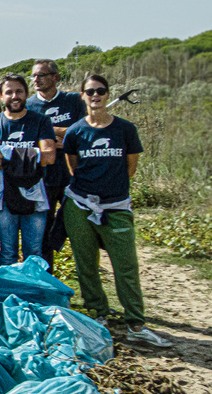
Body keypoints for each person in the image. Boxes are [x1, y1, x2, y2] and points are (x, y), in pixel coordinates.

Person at [63, 74, 172, 348]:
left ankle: (136, 323)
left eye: (101, 91)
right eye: (90, 91)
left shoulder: (124, 129)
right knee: (85, 264)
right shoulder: (76, 131)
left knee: (126, 266)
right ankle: (99, 315)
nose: (96, 96)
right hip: (80, 204)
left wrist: (111, 190)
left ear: (107, 93)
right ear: (83, 96)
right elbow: (73, 167)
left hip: (116, 205)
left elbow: (130, 167)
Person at [0, 73, 57, 266]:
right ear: (1, 96)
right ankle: (10, 295)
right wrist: (30, 156)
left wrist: (5, 152)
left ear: (26, 94)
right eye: (9, 92)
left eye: (19, 91)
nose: (15, 96)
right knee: (7, 252)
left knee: (34, 253)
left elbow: (49, 157)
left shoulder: (40, 121)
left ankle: (33, 295)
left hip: (35, 194)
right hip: (3, 195)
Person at [25, 58, 87, 273]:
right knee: (44, 233)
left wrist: (51, 134)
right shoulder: (29, 105)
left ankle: (87, 281)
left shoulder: (73, 101)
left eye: (41, 75)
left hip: (73, 176)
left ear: (55, 77)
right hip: (43, 177)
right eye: (33, 75)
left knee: (79, 229)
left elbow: (82, 131)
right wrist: (59, 136)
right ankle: (46, 280)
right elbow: (30, 138)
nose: (36, 80)